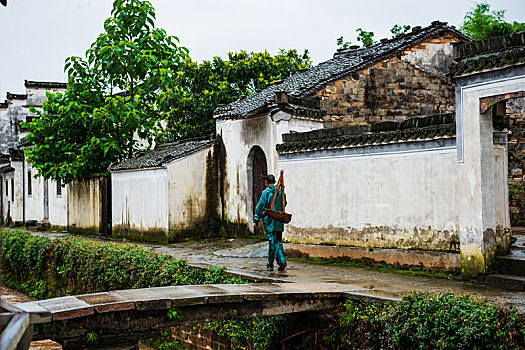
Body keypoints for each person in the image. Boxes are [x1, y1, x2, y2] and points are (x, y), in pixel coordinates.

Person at [253, 174, 287, 271]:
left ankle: (282, 261)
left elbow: (260, 207)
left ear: (266, 183)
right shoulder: (281, 192)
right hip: (279, 221)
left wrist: (256, 220)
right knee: (275, 241)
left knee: (273, 241)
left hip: (269, 221)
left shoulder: (266, 193)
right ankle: (270, 262)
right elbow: (285, 203)